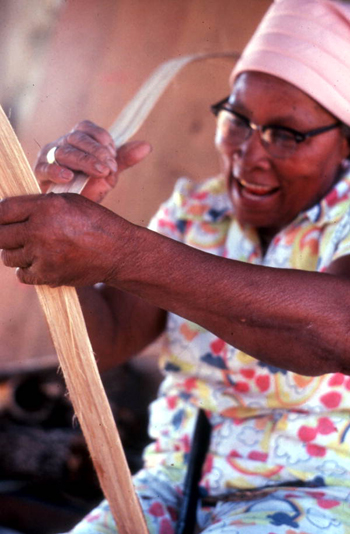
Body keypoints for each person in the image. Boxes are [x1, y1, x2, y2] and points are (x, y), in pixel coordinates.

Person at [1, 0, 350, 532]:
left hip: (312, 494)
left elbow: (336, 331)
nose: (248, 155)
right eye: (237, 119)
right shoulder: (196, 211)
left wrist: (121, 251)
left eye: (286, 134)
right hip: (167, 483)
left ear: (345, 141)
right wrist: (68, 241)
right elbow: (112, 336)